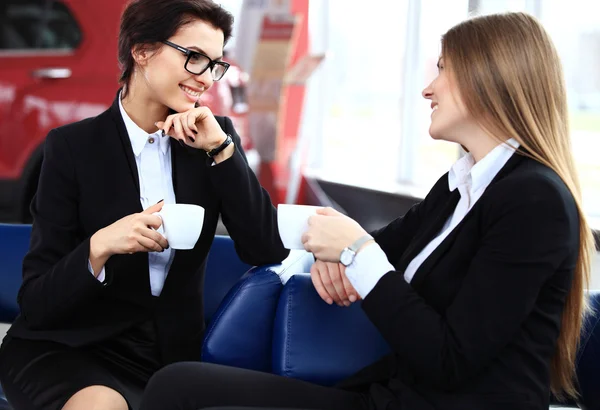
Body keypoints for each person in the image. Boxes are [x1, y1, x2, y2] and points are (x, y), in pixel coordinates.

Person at [136, 12, 595, 410]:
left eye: (442, 69)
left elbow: (448, 357)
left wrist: (354, 254)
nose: (427, 89)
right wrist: (338, 252)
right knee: (178, 386)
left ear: (488, 76)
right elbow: (376, 245)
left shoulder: (534, 201)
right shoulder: (462, 187)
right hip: (396, 397)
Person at [0, 0, 289, 409]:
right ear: (142, 50)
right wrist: (99, 246)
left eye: (215, 64)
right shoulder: (72, 147)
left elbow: (266, 249)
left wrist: (222, 151)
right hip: (67, 347)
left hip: (167, 360)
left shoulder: (212, 138)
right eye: (194, 58)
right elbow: (36, 301)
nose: (205, 78)